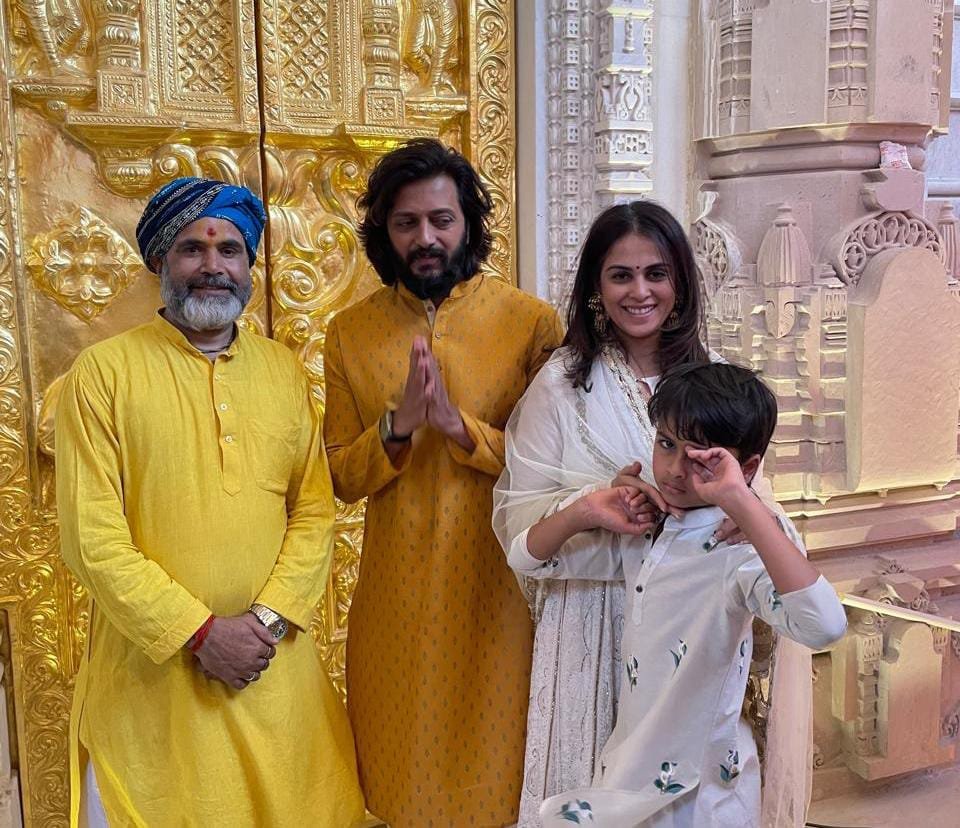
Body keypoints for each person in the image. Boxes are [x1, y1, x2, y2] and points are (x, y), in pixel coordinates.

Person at [492, 201, 818, 827]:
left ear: (680, 284)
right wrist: (592, 507)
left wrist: (748, 518)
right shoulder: (561, 385)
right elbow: (519, 538)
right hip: (594, 626)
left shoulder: (711, 381)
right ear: (595, 285)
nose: (640, 292)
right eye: (621, 275)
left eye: (656, 273)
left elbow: (754, 493)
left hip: (695, 627)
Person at [56, 177, 365, 827]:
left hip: (270, 673)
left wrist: (268, 623)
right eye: (193, 249)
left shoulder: (282, 372)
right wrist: (199, 634)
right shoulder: (103, 373)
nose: (212, 266)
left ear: (250, 266)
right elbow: (91, 538)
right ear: (160, 262)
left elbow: (312, 510)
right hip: (154, 691)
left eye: (230, 250)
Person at [323, 138, 563, 826]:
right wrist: (397, 428)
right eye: (406, 223)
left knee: (500, 766)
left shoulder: (530, 323)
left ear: (469, 223)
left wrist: (461, 431)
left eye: (441, 220)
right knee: (396, 770)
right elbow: (340, 473)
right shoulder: (349, 333)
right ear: (384, 232)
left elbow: (554, 465)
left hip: (499, 590)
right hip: (392, 594)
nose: (425, 238)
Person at [505, 362, 847, 827]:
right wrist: (586, 508)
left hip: (706, 792)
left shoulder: (740, 550)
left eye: (701, 458)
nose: (673, 469)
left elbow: (825, 625)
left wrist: (745, 505)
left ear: (744, 467)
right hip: (629, 774)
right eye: (666, 444)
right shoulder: (646, 530)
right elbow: (526, 557)